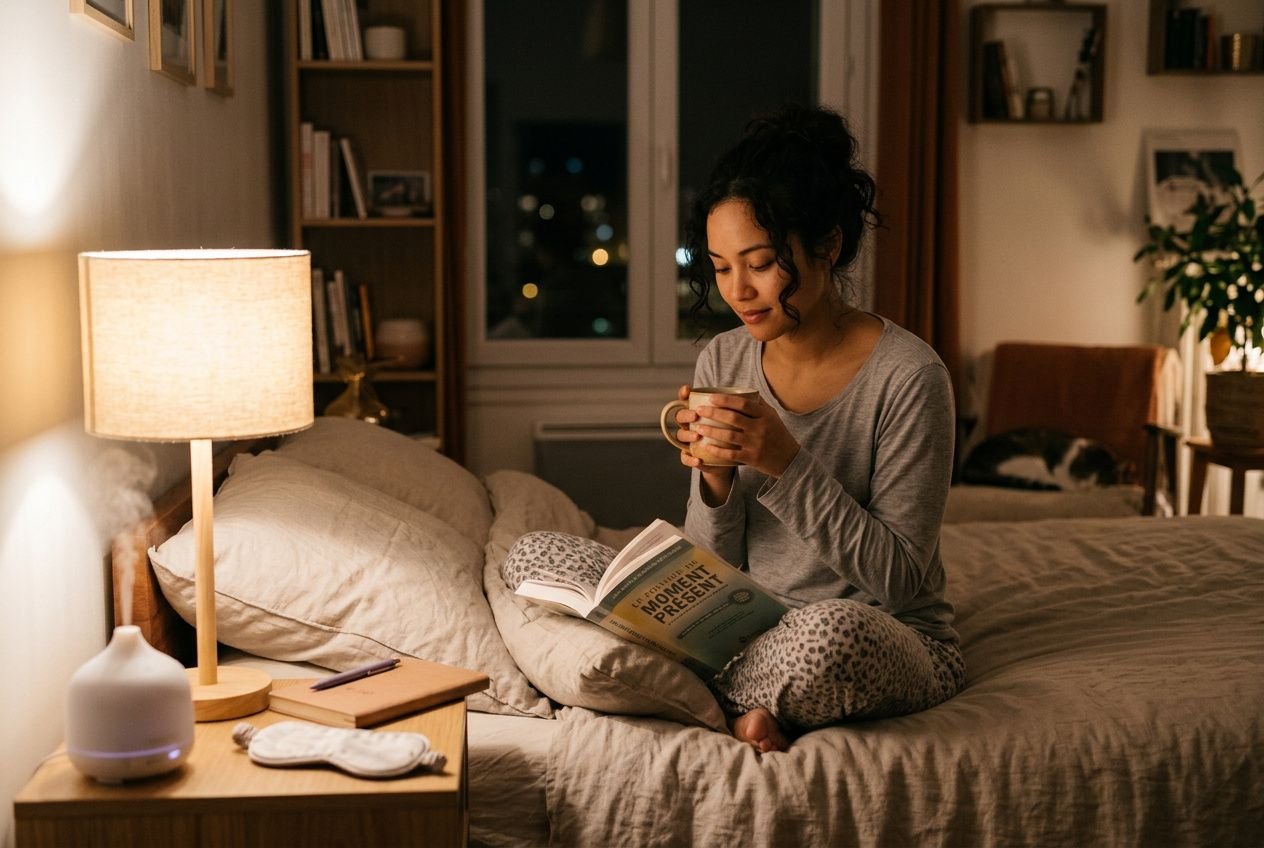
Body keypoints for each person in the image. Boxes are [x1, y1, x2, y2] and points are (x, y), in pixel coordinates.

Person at [668, 104, 966, 753]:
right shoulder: (724, 359)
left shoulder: (910, 376)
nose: (738, 291)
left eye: (762, 261)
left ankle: (709, 700)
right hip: (752, 627)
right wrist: (714, 481)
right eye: (720, 267)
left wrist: (784, 463)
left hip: (884, 635)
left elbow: (897, 578)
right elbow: (714, 566)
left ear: (828, 245)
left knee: (834, 634)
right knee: (541, 566)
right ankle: (749, 700)